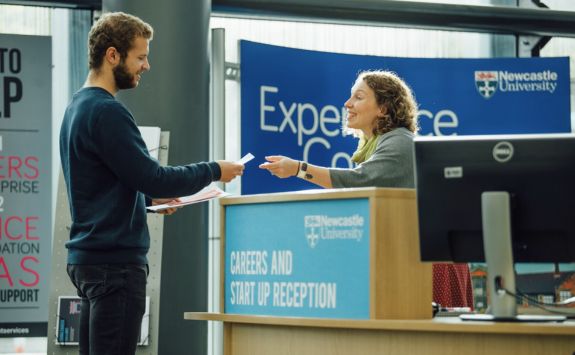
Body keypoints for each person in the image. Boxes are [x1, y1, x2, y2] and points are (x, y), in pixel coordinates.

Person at [59, 12, 244, 355]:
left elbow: (100, 183)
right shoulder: (108, 112)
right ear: (112, 55)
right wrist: (215, 169)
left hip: (88, 262)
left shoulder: (76, 107)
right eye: (140, 57)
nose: (146, 66)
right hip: (114, 267)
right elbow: (153, 177)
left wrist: (146, 201)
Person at [259, 70, 474, 312]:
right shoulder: (377, 144)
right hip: (417, 257)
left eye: (358, 97)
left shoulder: (400, 141)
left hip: (431, 263)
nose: (347, 104)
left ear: (383, 108)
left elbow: (359, 181)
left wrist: (299, 169)